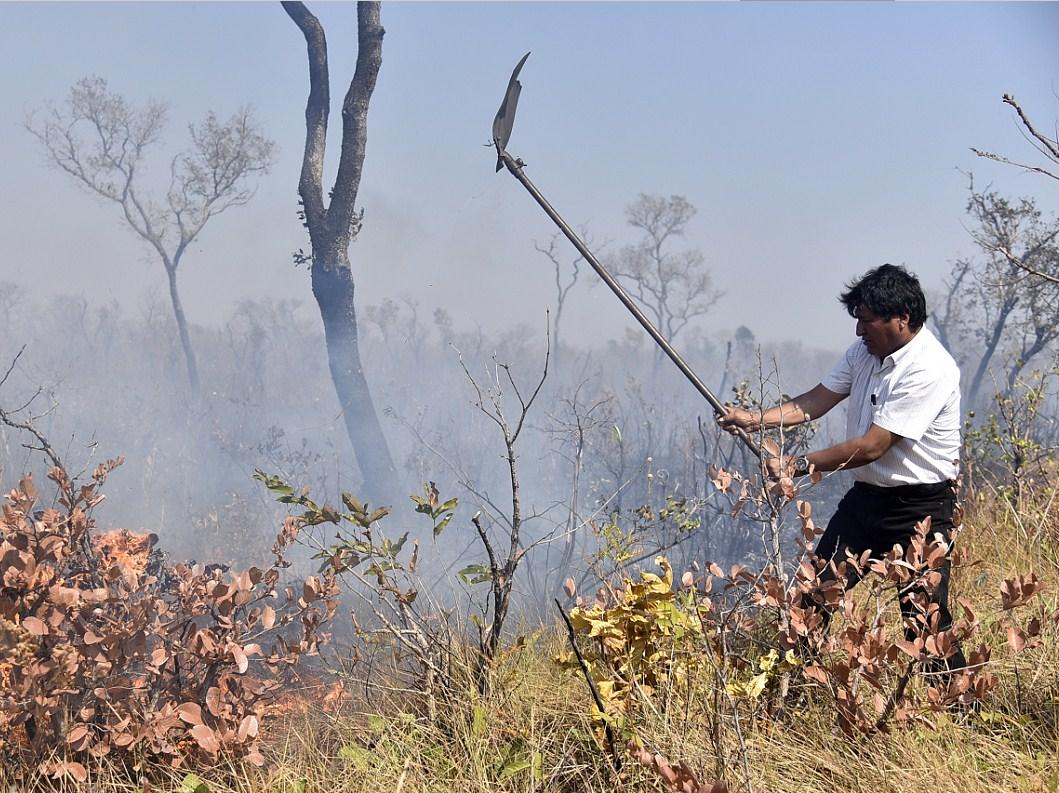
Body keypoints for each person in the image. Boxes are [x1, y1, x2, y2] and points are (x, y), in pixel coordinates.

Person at [719, 263, 966, 671]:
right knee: (813, 598)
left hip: (920, 510)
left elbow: (873, 447)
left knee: (924, 623)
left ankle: (962, 713)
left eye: (866, 322)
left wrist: (796, 465)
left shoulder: (929, 369)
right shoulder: (864, 353)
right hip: (865, 502)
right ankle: (794, 692)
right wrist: (752, 418)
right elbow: (815, 401)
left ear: (901, 319)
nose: (858, 332)